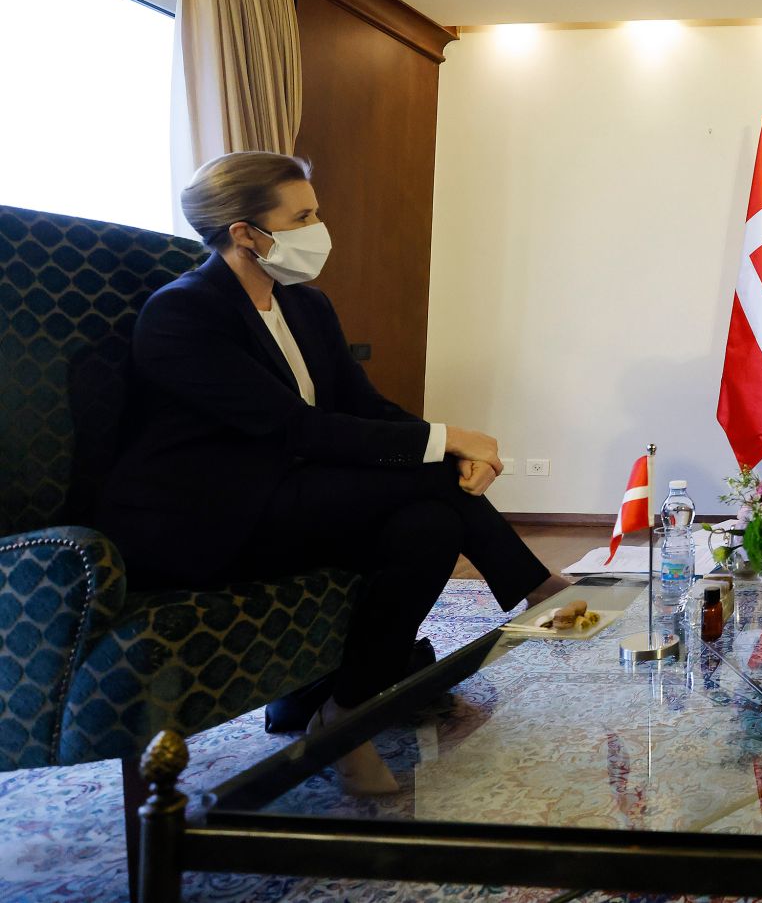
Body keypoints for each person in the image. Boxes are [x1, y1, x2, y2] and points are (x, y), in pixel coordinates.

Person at [96, 152, 572, 795]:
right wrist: (449, 442)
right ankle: (541, 592)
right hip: (202, 518)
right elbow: (295, 427)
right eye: (303, 216)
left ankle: (346, 716)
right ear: (245, 233)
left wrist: (447, 447)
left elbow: (363, 406)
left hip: (288, 493)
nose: (319, 228)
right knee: (427, 483)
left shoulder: (306, 307)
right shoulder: (183, 313)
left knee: (429, 523)